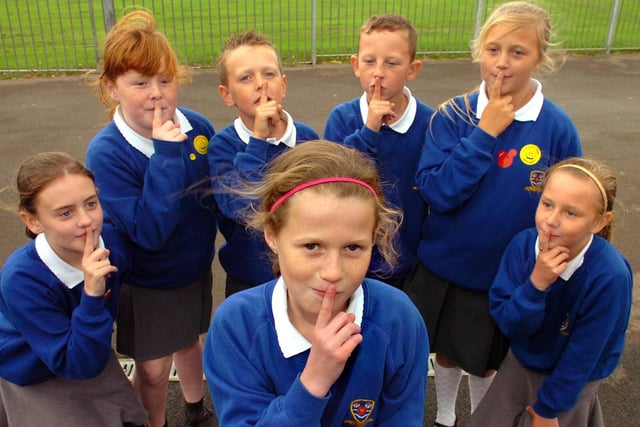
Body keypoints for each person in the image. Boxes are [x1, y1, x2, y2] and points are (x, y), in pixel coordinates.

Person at [403, 2, 583, 426]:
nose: (502, 63)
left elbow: (570, 202)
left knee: (485, 362)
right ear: (478, 51)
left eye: (518, 52)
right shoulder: (454, 115)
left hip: (507, 274)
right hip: (447, 265)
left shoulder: (557, 128)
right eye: (493, 49)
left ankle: (478, 416)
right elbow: (439, 192)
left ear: (541, 58)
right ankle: (446, 416)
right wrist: (485, 133)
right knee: (445, 352)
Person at [203, 140, 429, 426]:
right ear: (272, 235)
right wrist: (313, 383)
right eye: (312, 246)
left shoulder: (399, 318)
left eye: (353, 248)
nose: (333, 272)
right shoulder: (236, 325)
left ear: (374, 239)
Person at [85, 10, 216, 427]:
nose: (157, 94)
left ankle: (197, 410)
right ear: (111, 88)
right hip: (149, 281)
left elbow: (213, 198)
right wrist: (165, 155)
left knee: (191, 342)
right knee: (155, 370)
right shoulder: (108, 153)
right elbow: (150, 232)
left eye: (165, 79)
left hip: (194, 269)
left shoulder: (197, 127)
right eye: (140, 83)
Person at [468, 157, 633, 427]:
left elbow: (584, 355)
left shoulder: (610, 275)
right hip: (522, 364)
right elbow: (511, 324)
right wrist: (536, 286)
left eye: (571, 213)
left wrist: (547, 410)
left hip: (572, 383)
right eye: (547, 204)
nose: (551, 220)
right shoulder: (522, 246)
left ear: (599, 222)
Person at [0, 152, 147, 427]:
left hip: (85, 349)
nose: (86, 220)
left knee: (129, 416)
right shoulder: (22, 279)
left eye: (91, 203)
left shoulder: (110, 242)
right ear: (32, 222)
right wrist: (93, 294)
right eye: (66, 213)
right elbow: (76, 363)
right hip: (32, 367)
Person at [323, 13, 434, 288]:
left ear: (412, 69)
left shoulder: (431, 123)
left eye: (392, 63)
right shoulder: (342, 119)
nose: (379, 72)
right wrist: (369, 130)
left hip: (411, 261)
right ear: (355, 65)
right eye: (369, 61)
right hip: (351, 263)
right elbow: (336, 184)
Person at [209, 30, 319, 296]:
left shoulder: (306, 138)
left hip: (306, 276)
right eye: (246, 78)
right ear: (227, 95)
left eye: (268, 74)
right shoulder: (223, 145)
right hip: (249, 279)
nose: (261, 84)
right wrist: (257, 141)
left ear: (283, 84)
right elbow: (240, 208)